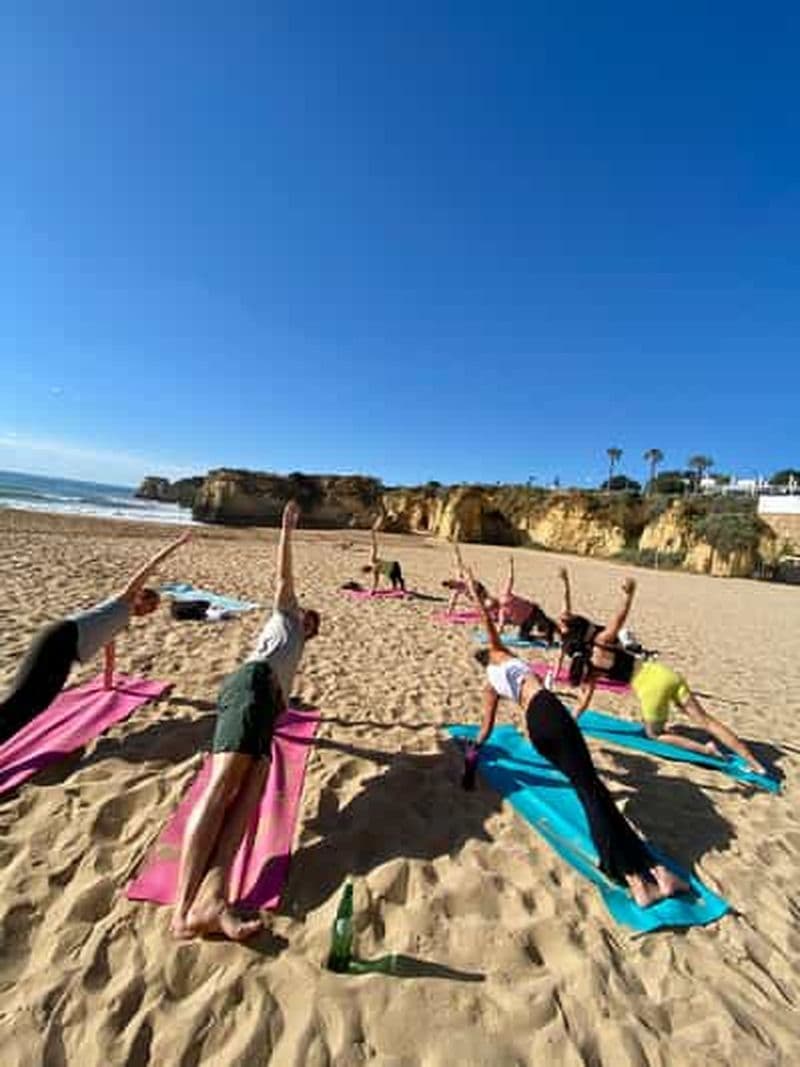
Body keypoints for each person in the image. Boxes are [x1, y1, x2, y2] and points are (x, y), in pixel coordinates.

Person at [462, 572, 689, 907]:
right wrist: (471, 587)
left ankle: (654, 874)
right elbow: (486, 616)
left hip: (537, 731)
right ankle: (637, 881)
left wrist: (470, 762)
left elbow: (484, 730)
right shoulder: (500, 653)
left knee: (591, 792)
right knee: (593, 795)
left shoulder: (489, 685)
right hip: (548, 713)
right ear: (491, 651)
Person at [171, 501, 320, 941]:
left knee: (249, 796)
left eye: (314, 624)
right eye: (308, 614)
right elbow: (282, 577)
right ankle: (181, 912)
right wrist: (287, 530)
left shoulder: (296, 652)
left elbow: (286, 702)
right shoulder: (285, 614)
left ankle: (214, 901)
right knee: (222, 788)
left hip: (266, 703)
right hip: (250, 685)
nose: (310, 620)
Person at [0, 530, 191, 744]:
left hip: (65, 647)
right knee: (23, 700)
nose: (151, 611)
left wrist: (108, 684)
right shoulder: (124, 600)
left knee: (36, 701)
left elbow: (109, 651)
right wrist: (178, 544)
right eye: (152, 606)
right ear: (140, 597)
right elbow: (150, 566)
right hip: (60, 638)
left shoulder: (119, 619)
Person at [566, 578, 766, 774]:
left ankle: (708, 750)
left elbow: (584, 700)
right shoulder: (602, 642)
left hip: (649, 688)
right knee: (706, 720)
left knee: (653, 733)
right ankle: (755, 763)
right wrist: (629, 595)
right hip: (664, 673)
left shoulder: (591, 670)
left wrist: (573, 719)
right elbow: (618, 619)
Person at [496, 556, 556, 644]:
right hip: (527, 619)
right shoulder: (502, 611)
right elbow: (500, 627)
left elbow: (510, 579)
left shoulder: (505, 596)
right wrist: (495, 636)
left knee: (545, 625)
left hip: (532, 611)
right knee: (523, 636)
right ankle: (543, 637)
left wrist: (511, 565)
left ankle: (550, 632)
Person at [361, 516, 405, 592]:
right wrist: (373, 536)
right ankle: (398, 588)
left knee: (397, 578)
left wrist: (373, 536)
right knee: (395, 579)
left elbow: (374, 548)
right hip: (392, 567)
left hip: (393, 566)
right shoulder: (374, 564)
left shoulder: (373, 562)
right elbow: (374, 548)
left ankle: (401, 587)